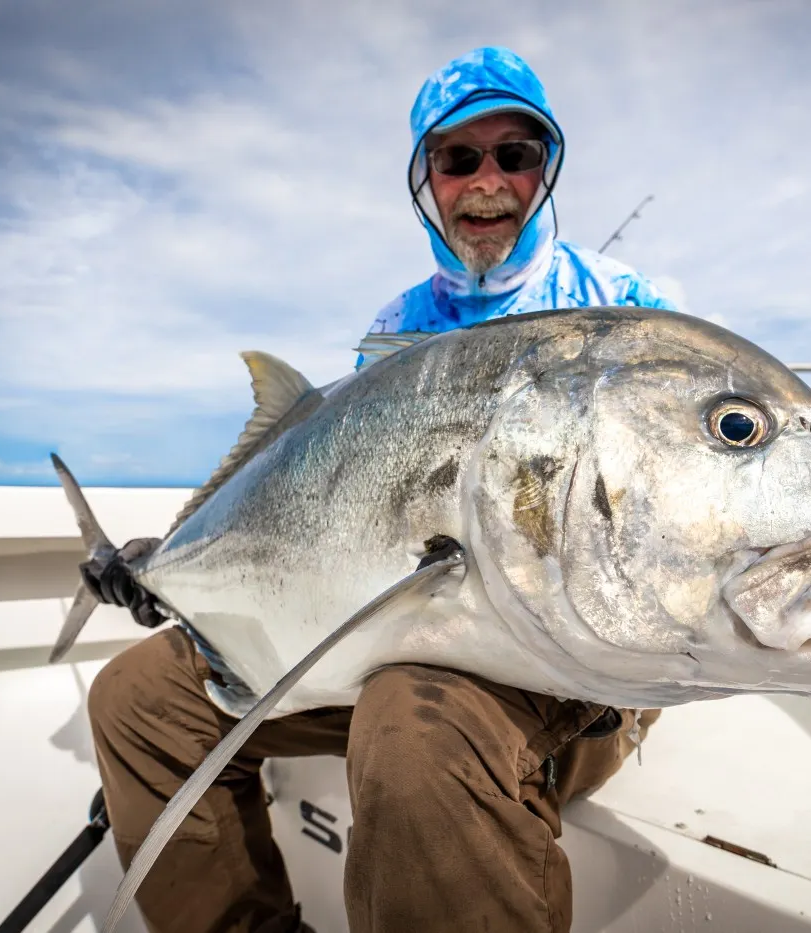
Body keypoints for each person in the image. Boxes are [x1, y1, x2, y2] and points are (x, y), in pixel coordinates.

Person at [84, 46, 674, 933]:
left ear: (543, 169)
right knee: (137, 699)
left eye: (515, 155)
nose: (487, 181)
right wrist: (171, 569)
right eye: (457, 157)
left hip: (571, 668)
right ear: (423, 176)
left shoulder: (624, 307)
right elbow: (327, 501)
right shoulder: (395, 331)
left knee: (408, 718)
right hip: (401, 637)